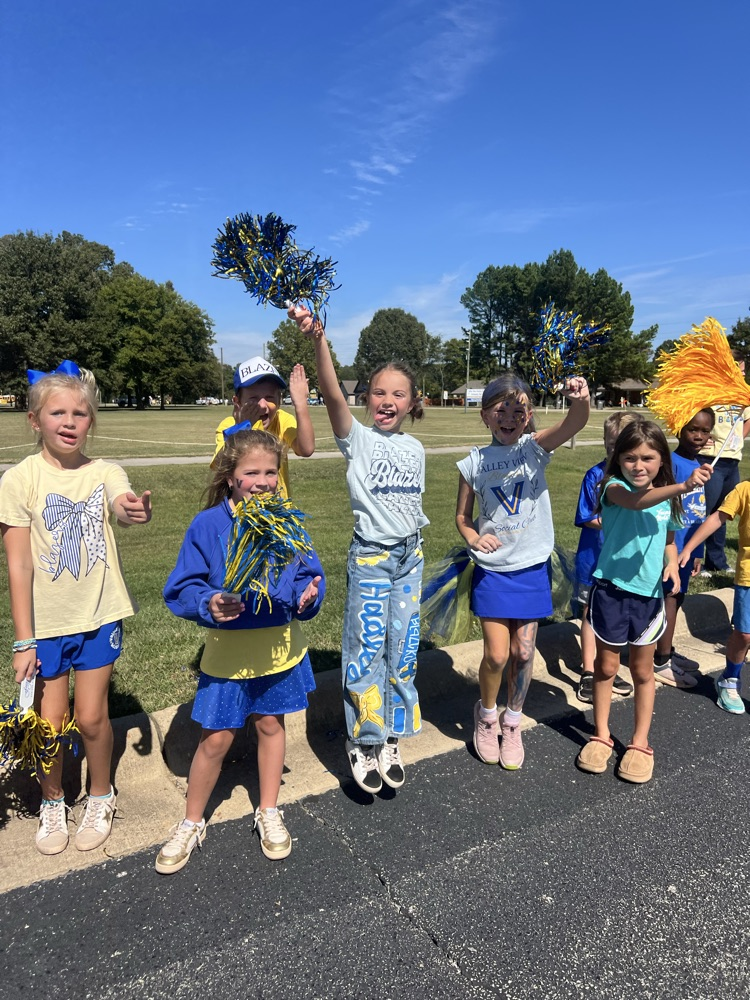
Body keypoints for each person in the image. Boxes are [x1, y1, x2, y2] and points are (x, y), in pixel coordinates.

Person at [0, 362, 152, 856]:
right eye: (57, 413)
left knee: (91, 717)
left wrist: (132, 510)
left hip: (99, 617)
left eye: (80, 414)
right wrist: (24, 641)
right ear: (34, 419)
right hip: (45, 627)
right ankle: (52, 800)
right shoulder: (20, 479)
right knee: (48, 722)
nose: (69, 422)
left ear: (92, 421)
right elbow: (19, 565)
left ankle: (101, 794)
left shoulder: (104, 471)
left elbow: (121, 502)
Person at [156, 428, 325, 872]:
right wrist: (208, 602)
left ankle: (268, 809)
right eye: (252, 472)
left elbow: (309, 574)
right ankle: (191, 821)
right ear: (230, 476)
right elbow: (182, 587)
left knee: (271, 725)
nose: (263, 481)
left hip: (278, 650)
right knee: (216, 738)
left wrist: (309, 595)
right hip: (228, 654)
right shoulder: (208, 525)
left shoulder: (287, 520)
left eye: (271, 472)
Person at [290, 305, 427, 796]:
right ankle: (363, 739)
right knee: (366, 648)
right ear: (366, 398)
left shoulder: (415, 449)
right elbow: (331, 393)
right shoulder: (359, 439)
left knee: (402, 648)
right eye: (379, 392)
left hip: (410, 557)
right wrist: (319, 339)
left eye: (398, 393)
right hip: (372, 557)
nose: (387, 401)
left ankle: (390, 735)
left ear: (412, 402)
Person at [456, 372, 590, 770]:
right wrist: (473, 537)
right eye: (501, 411)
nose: (510, 418)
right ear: (485, 415)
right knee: (497, 656)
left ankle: (512, 722)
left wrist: (581, 398)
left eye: (519, 411)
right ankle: (486, 715)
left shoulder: (534, 449)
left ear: (528, 416)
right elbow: (463, 517)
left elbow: (574, 423)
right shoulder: (473, 462)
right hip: (493, 571)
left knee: (525, 651)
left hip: (531, 567)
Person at [575, 420, 712, 784]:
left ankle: (639, 742)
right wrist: (682, 485)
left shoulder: (670, 498)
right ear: (618, 460)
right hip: (610, 593)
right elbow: (636, 504)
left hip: (649, 598)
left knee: (642, 671)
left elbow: (668, 539)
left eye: (647, 458)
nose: (638, 466)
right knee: (606, 667)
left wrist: (672, 564)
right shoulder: (613, 488)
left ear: (661, 459)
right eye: (630, 458)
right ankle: (601, 734)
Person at [574, 411, 639, 704]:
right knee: (591, 613)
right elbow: (586, 517)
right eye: (611, 445)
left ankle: (606, 667)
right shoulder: (595, 476)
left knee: (614, 616)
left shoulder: (640, 481)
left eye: (623, 447)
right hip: (595, 559)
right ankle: (589, 671)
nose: (615, 452)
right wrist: (620, 522)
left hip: (624, 564)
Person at [653, 408, 716, 688]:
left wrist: (698, 551)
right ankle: (661, 660)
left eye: (705, 431)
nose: (699, 436)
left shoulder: (700, 466)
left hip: (688, 549)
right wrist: (672, 550)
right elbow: (664, 505)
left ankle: (665, 649)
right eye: (693, 429)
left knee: (677, 599)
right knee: (670, 597)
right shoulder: (672, 463)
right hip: (672, 548)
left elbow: (699, 513)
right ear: (679, 428)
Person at [678, 475, 750, 715]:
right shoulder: (744, 489)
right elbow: (717, 518)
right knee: (744, 634)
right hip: (749, 577)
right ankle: (729, 679)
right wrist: (689, 548)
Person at [213, 356, 315, 498]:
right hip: (242, 508)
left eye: (270, 397)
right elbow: (220, 465)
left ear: (279, 400)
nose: (262, 405)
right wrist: (241, 428)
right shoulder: (229, 426)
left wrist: (301, 403)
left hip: (277, 509)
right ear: (237, 402)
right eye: (253, 398)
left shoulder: (281, 420)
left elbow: (306, 449)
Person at [698, 350, 750, 574]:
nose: (744, 373)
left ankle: (716, 561)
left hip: (732, 461)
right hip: (711, 459)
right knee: (703, 510)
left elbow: (748, 419)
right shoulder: (708, 390)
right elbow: (690, 418)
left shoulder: (743, 392)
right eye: (741, 369)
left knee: (723, 511)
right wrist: (703, 437)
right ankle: (695, 558)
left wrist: (739, 439)